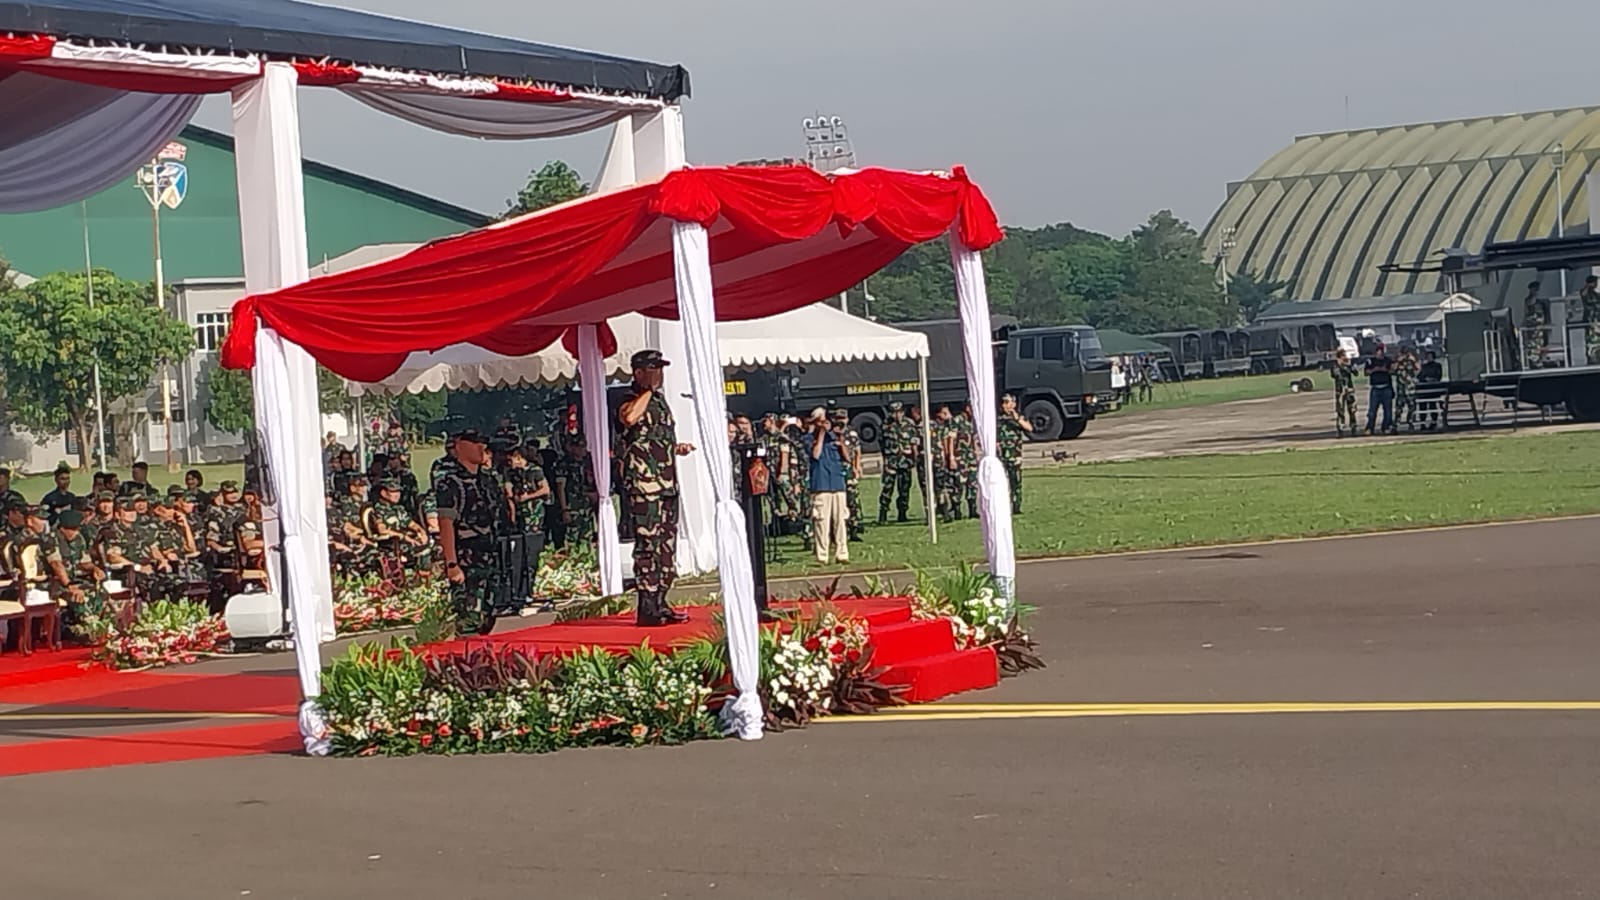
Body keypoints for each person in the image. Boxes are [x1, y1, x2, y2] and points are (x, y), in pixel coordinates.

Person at [617, 349, 696, 626]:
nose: (659, 374)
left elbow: (656, 439)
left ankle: (661, 601)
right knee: (648, 546)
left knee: (666, 547)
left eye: (660, 369)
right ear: (638, 372)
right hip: (644, 486)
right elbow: (629, 419)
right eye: (653, 369)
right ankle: (647, 606)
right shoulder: (629, 398)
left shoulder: (660, 402)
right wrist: (647, 391)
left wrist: (676, 448)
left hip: (666, 484)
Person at [435, 430, 510, 634]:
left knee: (489, 618)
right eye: (475, 442)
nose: (481, 447)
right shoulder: (450, 483)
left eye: (482, 443)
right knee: (469, 621)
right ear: (460, 446)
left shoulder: (488, 481)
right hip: (468, 561)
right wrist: (452, 564)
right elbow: (446, 523)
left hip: (492, 560)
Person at [44, 508, 104, 629]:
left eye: (77, 529)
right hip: (55, 583)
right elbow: (56, 564)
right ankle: (83, 629)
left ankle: (99, 627)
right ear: (62, 528)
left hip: (74, 579)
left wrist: (94, 568)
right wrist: (69, 585)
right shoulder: (51, 539)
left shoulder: (78, 538)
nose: (75, 532)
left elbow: (84, 562)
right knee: (79, 597)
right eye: (72, 529)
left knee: (100, 592)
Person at [806, 407, 850, 565]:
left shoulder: (835, 437)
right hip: (821, 484)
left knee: (840, 520)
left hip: (837, 482)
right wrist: (821, 434)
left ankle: (842, 554)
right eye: (821, 421)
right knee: (821, 522)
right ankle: (822, 555)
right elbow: (815, 454)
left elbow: (847, 458)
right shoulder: (809, 438)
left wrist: (840, 440)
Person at [554, 435, 598, 545]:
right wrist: (564, 509)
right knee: (571, 539)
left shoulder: (586, 463)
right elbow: (561, 487)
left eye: (584, 446)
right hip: (572, 507)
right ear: (572, 447)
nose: (583, 449)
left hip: (586, 508)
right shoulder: (564, 464)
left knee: (586, 538)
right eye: (580, 446)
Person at [878, 402, 917, 525]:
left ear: (902, 412)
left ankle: (902, 513)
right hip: (891, 462)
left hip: (905, 462)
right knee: (887, 488)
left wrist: (914, 458)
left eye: (898, 412)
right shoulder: (885, 425)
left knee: (904, 489)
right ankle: (883, 513)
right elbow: (882, 444)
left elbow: (914, 443)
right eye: (893, 413)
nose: (896, 415)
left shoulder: (909, 424)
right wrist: (885, 461)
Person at [831, 409, 865, 540]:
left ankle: (854, 528)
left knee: (852, 499)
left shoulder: (851, 434)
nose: (841, 421)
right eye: (838, 419)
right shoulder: (831, 434)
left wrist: (857, 466)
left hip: (849, 469)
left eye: (843, 418)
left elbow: (857, 451)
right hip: (835, 470)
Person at [997, 393, 1032, 512]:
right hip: (1001, 456)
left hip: (1014, 456)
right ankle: (1003, 507)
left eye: (1007, 403)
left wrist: (1016, 418)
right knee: (1000, 483)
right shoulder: (997, 418)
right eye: (1003, 403)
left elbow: (1029, 428)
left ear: (1014, 404)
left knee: (1015, 482)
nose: (1005, 406)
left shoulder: (1018, 418)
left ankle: (1016, 506)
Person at [1363, 344, 1395, 435]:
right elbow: (1366, 372)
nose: (1380, 354)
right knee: (1372, 411)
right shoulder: (1370, 361)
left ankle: (1386, 426)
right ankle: (1370, 427)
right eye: (1379, 352)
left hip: (1386, 388)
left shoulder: (1387, 360)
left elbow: (1392, 370)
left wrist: (1385, 370)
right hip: (1375, 389)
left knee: (1388, 411)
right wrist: (1375, 369)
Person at [956, 404, 980, 520]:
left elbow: (974, 439)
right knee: (959, 485)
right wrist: (951, 456)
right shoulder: (957, 420)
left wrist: (976, 454)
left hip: (970, 458)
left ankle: (972, 509)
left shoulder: (972, 422)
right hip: (960, 457)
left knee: (972, 484)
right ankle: (957, 511)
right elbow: (950, 439)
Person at [1331, 350, 1359, 437]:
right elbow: (1336, 375)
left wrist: (1349, 366)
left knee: (1352, 409)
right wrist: (1342, 366)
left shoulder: (1349, 365)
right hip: (1340, 391)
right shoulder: (1335, 366)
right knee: (1340, 411)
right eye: (1344, 356)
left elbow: (1356, 373)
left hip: (1350, 389)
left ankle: (1353, 427)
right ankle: (1340, 428)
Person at [1522, 281, 1548, 367]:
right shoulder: (1529, 300)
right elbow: (1531, 303)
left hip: (1540, 327)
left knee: (1541, 343)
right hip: (1533, 327)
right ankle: (1533, 360)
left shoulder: (1540, 302)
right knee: (1533, 344)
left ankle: (1539, 359)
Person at [1393, 346, 1420, 430]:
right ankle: (1396, 424)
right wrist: (1399, 360)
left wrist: (1413, 360)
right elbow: (1393, 369)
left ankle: (1411, 423)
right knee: (1399, 408)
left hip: (1410, 389)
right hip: (1401, 390)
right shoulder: (1398, 362)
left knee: (1412, 407)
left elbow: (1418, 369)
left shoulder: (1412, 361)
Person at [1580, 274, 1600, 366]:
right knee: (1591, 341)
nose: (1596, 284)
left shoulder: (1597, 294)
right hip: (1590, 321)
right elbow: (1583, 294)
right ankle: (1591, 357)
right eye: (1594, 282)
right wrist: (1587, 285)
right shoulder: (1585, 293)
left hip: (1598, 321)